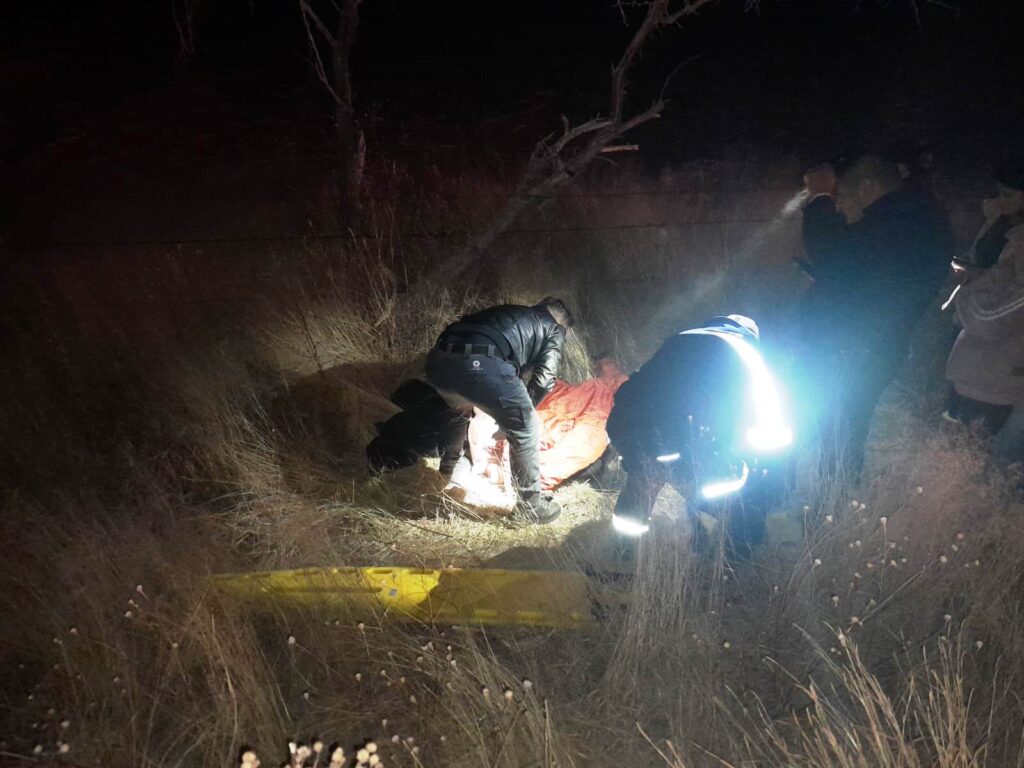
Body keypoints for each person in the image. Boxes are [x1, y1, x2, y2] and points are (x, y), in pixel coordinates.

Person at [798, 154, 952, 478]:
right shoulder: (916, 218)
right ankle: (832, 494)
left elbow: (831, 253)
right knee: (844, 425)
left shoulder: (896, 221)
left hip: (858, 347)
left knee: (841, 429)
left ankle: (834, 505)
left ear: (868, 187)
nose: (844, 210)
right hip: (879, 342)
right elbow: (866, 269)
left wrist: (821, 196)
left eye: (846, 200)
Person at [606, 315, 793, 555]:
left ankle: (619, 556)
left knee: (643, 480)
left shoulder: (679, 340)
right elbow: (771, 425)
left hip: (633, 430)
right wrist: (766, 467)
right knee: (726, 494)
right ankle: (729, 558)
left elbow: (634, 390)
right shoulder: (747, 352)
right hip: (689, 443)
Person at [425, 297, 574, 523]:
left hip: (437, 362)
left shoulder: (511, 311)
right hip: (479, 363)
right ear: (560, 320)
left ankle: (447, 469)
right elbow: (544, 379)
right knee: (527, 426)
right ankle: (531, 507)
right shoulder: (553, 327)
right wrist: (519, 418)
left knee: (461, 410)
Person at [944, 158, 1024, 467]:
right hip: (976, 351)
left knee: (978, 456)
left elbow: (992, 314)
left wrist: (972, 286)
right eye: (999, 191)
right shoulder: (1001, 223)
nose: (1001, 199)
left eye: (1009, 193)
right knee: (958, 434)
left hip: (1000, 362)